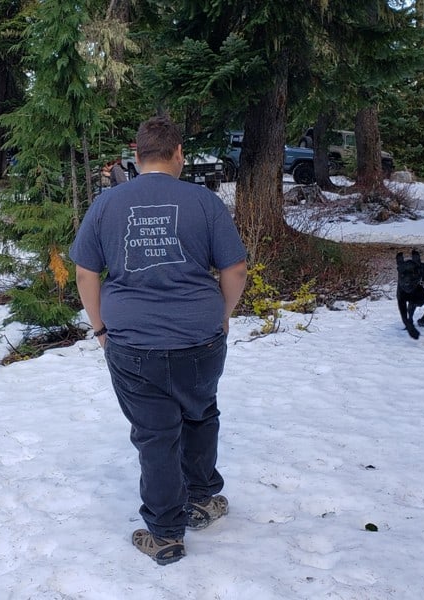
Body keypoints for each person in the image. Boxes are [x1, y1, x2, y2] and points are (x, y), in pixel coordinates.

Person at [69, 116, 248, 565]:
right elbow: (236, 270)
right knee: (200, 412)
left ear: (136, 156)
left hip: (133, 344)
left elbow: (86, 271)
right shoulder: (204, 202)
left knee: (155, 434)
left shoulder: (108, 203)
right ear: (178, 154)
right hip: (200, 339)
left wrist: (101, 328)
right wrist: (221, 316)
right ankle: (204, 498)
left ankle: (166, 534)